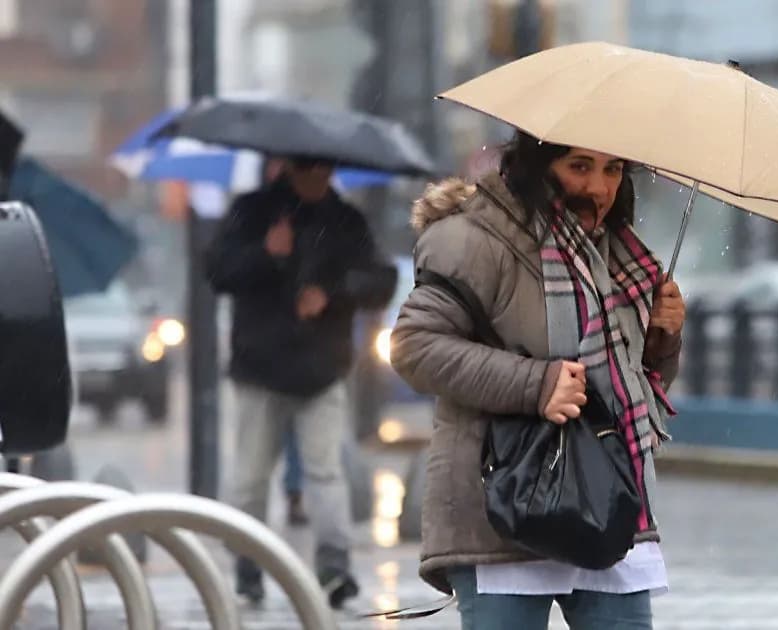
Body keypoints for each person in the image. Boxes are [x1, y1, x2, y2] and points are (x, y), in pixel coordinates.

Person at [390, 132, 686, 629]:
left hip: (608, 504)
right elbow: (415, 346)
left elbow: (635, 384)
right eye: (579, 166)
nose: (598, 186)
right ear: (537, 165)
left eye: (612, 169)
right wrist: (537, 384)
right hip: (501, 507)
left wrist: (661, 339)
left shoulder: (624, 259)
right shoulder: (476, 240)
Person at [205, 156, 396, 608]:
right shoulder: (252, 211)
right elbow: (217, 270)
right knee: (250, 478)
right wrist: (267, 254)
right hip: (260, 368)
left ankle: (334, 567)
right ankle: (247, 565)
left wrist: (331, 294)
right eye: (310, 169)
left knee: (325, 473)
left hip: (321, 368)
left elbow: (379, 280)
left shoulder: (345, 219)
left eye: (326, 170)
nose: (319, 178)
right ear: (290, 167)